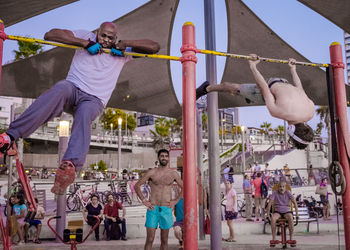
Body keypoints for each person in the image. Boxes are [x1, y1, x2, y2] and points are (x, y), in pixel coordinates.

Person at [0, 22, 160, 195]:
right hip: (73, 88)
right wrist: (84, 44)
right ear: (97, 33)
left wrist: (125, 44)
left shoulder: (123, 52)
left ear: (115, 38)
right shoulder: (85, 36)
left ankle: (69, 166)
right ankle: (10, 136)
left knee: (84, 115)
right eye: (103, 35)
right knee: (60, 88)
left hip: (94, 99)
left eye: (110, 38)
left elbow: (154, 47)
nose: (105, 40)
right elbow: (50, 34)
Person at [196, 56, 315, 149]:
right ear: (290, 129)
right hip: (270, 85)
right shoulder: (280, 111)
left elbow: (300, 88)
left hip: (284, 83)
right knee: (231, 87)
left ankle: (249, 98)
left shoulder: (310, 111)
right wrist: (253, 66)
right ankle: (207, 89)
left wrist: (293, 69)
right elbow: (264, 87)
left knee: (265, 98)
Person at [134, 149, 183, 250]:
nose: (164, 158)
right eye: (162, 156)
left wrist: (176, 200)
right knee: (150, 239)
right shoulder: (152, 172)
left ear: (168, 158)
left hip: (166, 209)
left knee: (164, 240)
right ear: (158, 158)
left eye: (166, 156)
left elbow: (185, 187)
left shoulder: (173, 174)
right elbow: (137, 185)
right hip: (153, 208)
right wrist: (144, 200)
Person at [266, 181, 298, 246]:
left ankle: (291, 239)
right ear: (278, 187)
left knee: (290, 218)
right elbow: (269, 204)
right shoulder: (275, 193)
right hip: (278, 211)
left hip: (287, 211)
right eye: (280, 187)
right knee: (273, 218)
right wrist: (268, 214)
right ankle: (274, 239)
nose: (281, 188)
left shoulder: (288, 193)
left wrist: (297, 214)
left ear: (285, 187)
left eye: (283, 187)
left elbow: (295, 202)